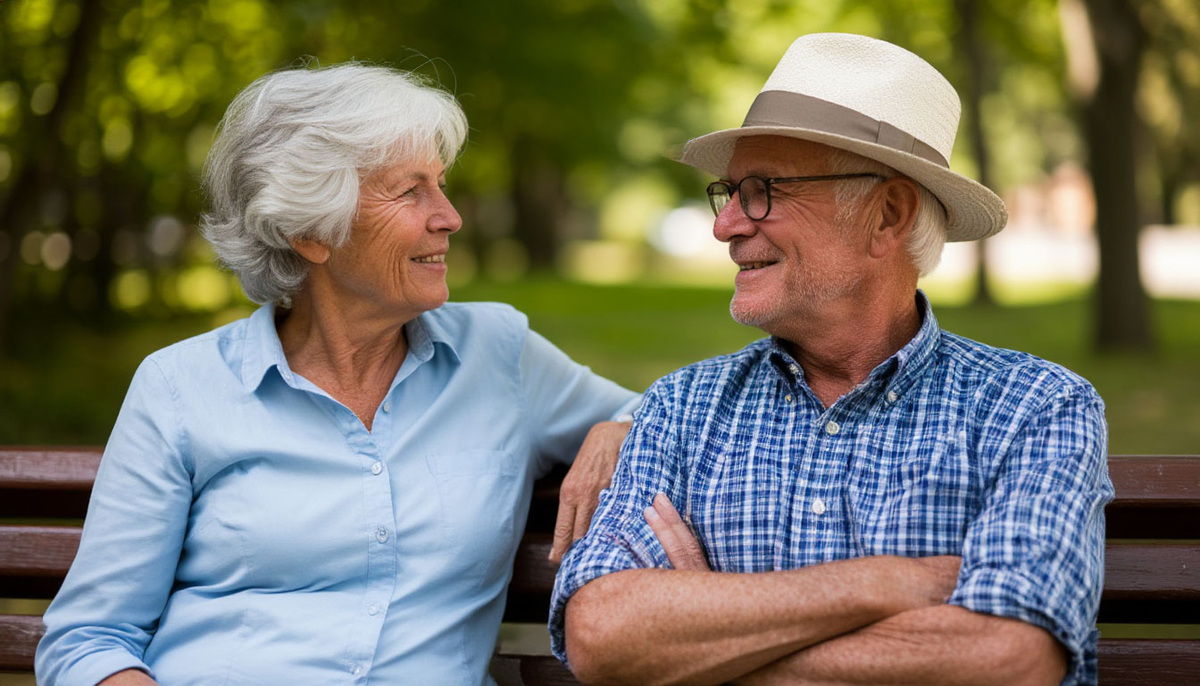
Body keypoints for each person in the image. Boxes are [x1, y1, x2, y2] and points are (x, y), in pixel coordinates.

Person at [35, 63, 638, 686]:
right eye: (411, 191)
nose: (451, 216)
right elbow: (89, 639)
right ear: (309, 231)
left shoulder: (500, 353)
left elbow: (661, 418)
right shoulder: (179, 386)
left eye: (441, 184)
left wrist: (614, 431)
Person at [551, 33, 1111, 686]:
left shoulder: (1034, 409)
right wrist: (886, 583)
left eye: (762, 190)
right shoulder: (681, 409)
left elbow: (1009, 660)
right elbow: (601, 634)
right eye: (728, 191)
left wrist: (712, 645)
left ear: (887, 215)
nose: (725, 224)